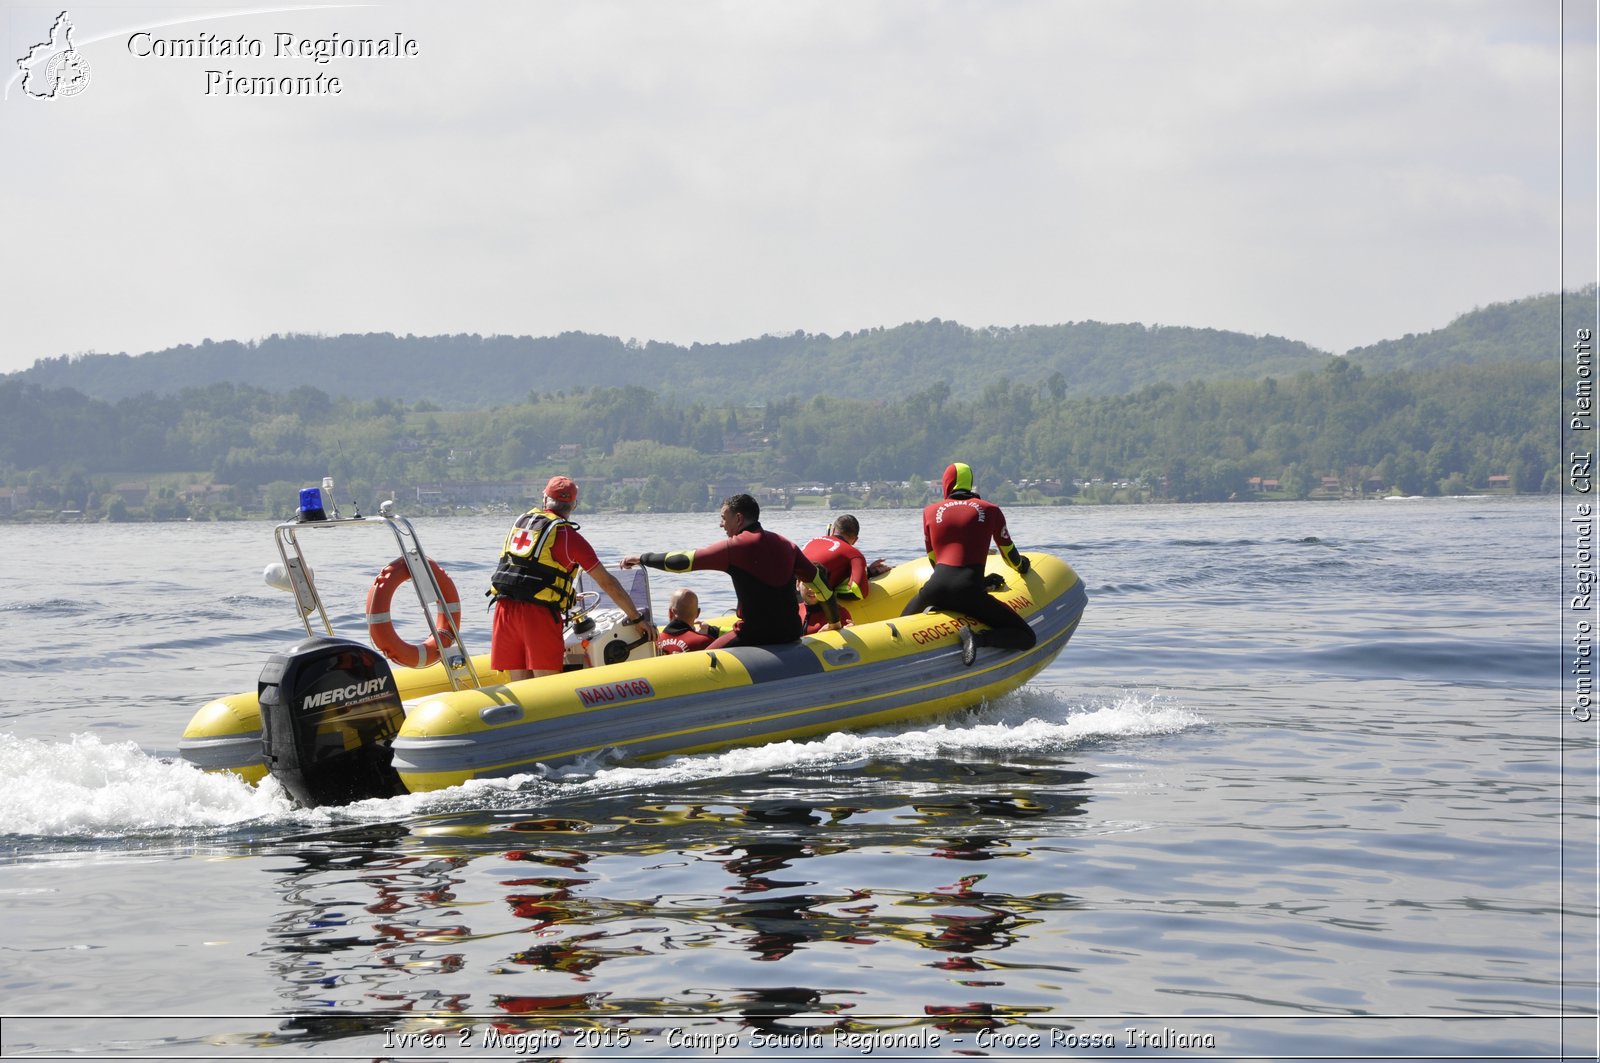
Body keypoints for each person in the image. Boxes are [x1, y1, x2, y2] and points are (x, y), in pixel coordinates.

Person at [489, 475, 653, 681]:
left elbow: (528, 571)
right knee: (546, 682)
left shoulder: (522, 525)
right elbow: (607, 582)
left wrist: (569, 595)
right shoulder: (568, 536)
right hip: (538, 615)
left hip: (504, 609)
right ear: (573, 505)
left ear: (544, 499)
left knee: (519, 681)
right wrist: (636, 618)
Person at [622, 493, 838, 648]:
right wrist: (834, 623)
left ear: (739, 518)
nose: (721, 525)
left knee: (705, 659)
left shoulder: (734, 547)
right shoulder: (787, 544)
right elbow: (821, 586)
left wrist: (642, 558)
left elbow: (682, 561)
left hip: (754, 636)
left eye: (724, 519)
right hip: (791, 635)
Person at [902, 461, 1036, 666]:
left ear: (947, 483)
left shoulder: (930, 511)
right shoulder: (990, 510)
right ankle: (978, 639)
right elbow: (1009, 554)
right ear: (970, 483)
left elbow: (933, 559)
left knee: (899, 628)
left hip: (933, 590)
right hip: (969, 592)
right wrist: (1022, 566)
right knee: (1027, 637)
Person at [802, 514, 891, 602]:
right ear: (856, 540)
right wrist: (834, 591)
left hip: (795, 588)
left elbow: (829, 563)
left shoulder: (812, 540)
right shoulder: (854, 554)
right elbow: (858, 591)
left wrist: (868, 571)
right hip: (808, 596)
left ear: (833, 530)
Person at [657, 587, 721, 654]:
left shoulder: (652, 643)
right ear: (698, 613)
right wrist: (711, 631)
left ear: (670, 613)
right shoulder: (705, 642)